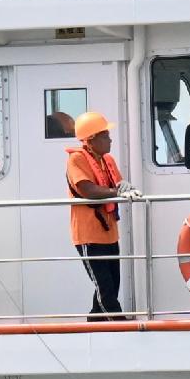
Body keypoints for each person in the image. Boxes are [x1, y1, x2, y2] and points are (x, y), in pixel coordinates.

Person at [65, 110, 126, 317]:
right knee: (104, 287)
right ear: (91, 139)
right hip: (88, 235)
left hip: (109, 234)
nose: (110, 140)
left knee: (112, 283)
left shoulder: (107, 160)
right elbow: (87, 190)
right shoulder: (76, 160)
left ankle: (95, 322)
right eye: (105, 136)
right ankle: (119, 324)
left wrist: (126, 188)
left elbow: (118, 185)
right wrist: (117, 192)